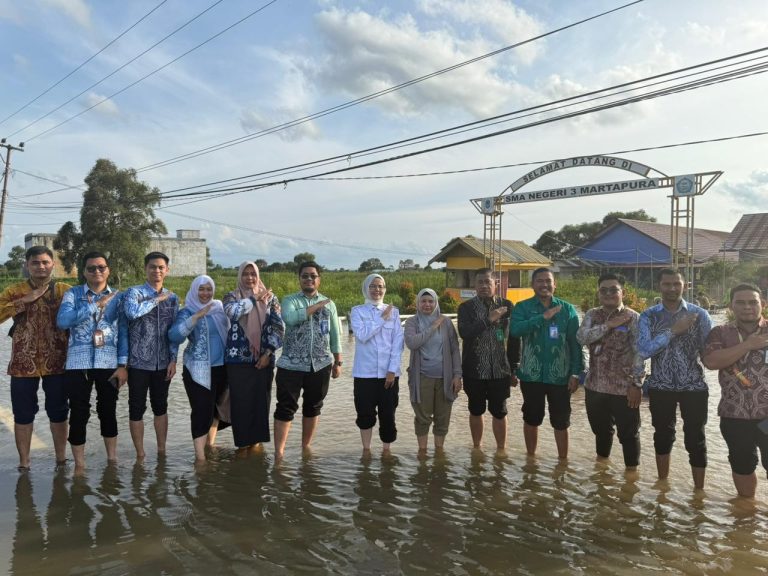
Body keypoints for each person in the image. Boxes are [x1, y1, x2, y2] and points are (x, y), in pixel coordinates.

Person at [638, 268, 712, 490]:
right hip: (660, 385)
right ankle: (662, 487)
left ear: (685, 286)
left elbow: (709, 352)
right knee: (662, 436)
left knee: (696, 439)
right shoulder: (648, 316)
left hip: (694, 385)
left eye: (676, 284)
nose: (671, 288)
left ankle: (699, 492)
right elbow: (643, 350)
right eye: (667, 284)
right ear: (659, 286)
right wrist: (673, 331)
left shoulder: (700, 315)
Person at [0, 246, 71, 470]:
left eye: (45, 262)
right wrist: (25, 300)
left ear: (53, 264)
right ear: (27, 265)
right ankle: (24, 463)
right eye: (35, 263)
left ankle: (61, 459)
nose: (41, 266)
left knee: (59, 412)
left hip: (57, 361)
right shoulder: (15, 291)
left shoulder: (65, 291)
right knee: (22, 414)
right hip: (23, 363)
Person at [56, 251, 128, 471]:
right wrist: (94, 306)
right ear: (84, 272)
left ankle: (112, 461)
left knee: (108, 411)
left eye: (101, 267)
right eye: (91, 268)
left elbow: (123, 332)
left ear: (108, 270)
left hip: (108, 362)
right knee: (79, 413)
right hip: (78, 363)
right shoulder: (73, 294)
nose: (97, 271)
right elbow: (63, 321)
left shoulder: (118, 297)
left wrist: (123, 365)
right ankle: (79, 466)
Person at [702, 283, 768, 498]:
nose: (747, 307)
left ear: (762, 304)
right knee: (742, 465)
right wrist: (747, 345)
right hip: (735, 414)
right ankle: (747, 511)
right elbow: (711, 361)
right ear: (731, 306)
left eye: (752, 302)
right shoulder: (720, 333)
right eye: (740, 302)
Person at [510, 267, 583, 459]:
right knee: (531, 418)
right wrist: (542, 318)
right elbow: (515, 331)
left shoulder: (567, 309)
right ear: (532, 285)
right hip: (531, 375)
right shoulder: (522, 307)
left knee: (561, 421)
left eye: (548, 281)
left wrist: (576, 373)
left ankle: (562, 462)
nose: (544, 284)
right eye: (540, 281)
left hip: (560, 375)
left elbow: (575, 344)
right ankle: (531, 459)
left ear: (554, 284)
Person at [274, 261, 342, 460]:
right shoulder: (290, 300)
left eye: (313, 276)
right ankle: (279, 454)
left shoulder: (330, 304)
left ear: (319, 279)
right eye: (305, 276)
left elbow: (335, 334)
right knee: (285, 408)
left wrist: (338, 362)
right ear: (299, 279)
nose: (309, 279)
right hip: (290, 365)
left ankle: (305, 448)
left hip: (320, 364)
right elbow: (290, 318)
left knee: (313, 407)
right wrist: (316, 306)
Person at [576, 273, 644, 471]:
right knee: (601, 433)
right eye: (603, 290)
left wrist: (637, 384)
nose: (608, 294)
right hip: (595, 387)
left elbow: (640, 353)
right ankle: (602, 473)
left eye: (613, 290)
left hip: (624, 389)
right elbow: (581, 338)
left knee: (629, 435)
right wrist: (609, 325)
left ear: (623, 292)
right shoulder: (592, 315)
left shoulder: (633, 317)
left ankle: (631, 477)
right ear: (598, 293)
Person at [123, 251, 179, 460]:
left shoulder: (172, 298)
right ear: (145, 269)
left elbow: (174, 332)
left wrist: (173, 359)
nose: (157, 270)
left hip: (163, 363)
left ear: (167, 270)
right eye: (152, 267)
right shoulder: (134, 293)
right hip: (137, 362)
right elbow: (132, 313)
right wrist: (156, 299)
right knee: (136, 408)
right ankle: (140, 454)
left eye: (161, 267)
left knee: (161, 407)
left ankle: (162, 451)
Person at [169, 275, 231, 462]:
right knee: (201, 411)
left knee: (216, 410)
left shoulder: (219, 308)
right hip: (198, 370)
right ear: (194, 290)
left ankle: (209, 445)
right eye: (201, 289)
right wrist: (196, 317)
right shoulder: (187, 311)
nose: (205, 293)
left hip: (222, 368)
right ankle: (200, 457)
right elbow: (174, 336)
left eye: (209, 289)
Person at [223, 261, 284, 451]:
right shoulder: (231, 297)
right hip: (237, 360)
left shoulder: (271, 298)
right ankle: (242, 446)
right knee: (240, 405)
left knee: (260, 404)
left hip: (263, 360)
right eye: (245, 274)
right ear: (240, 276)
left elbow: (278, 327)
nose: (249, 277)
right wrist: (254, 299)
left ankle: (256, 447)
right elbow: (233, 313)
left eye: (253, 274)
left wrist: (268, 353)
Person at [457, 269, 519, 451]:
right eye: (480, 282)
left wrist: (514, 369)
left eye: (487, 282)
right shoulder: (466, 308)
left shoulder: (507, 305)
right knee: (475, 410)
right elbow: (465, 333)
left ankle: (501, 450)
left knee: (500, 412)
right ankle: (477, 448)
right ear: (474, 285)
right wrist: (488, 319)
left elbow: (514, 339)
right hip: (474, 370)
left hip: (500, 370)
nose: (484, 286)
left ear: (495, 284)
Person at [350, 274, 404, 454]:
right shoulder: (357, 311)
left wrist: (392, 370)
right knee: (364, 414)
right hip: (364, 374)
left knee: (388, 414)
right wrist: (381, 318)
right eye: (372, 286)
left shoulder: (393, 312)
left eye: (380, 286)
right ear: (366, 288)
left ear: (385, 289)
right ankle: (366, 451)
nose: (377, 290)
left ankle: (386, 452)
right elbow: (362, 335)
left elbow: (397, 343)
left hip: (389, 374)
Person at [404, 288, 462, 454]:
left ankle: (439, 454)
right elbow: (412, 343)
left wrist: (457, 375)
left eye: (431, 301)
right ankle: (422, 454)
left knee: (442, 418)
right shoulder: (412, 322)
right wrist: (432, 326)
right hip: (422, 377)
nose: (427, 305)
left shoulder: (446, 322)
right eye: (423, 301)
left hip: (445, 378)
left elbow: (455, 350)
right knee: (422, 417)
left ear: (436, 303)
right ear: (418, 303)